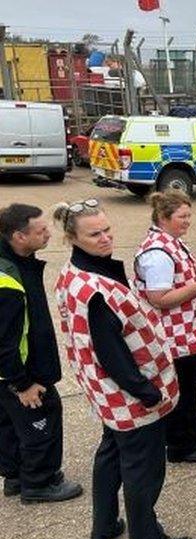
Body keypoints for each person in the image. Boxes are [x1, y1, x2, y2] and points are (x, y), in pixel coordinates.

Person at [52, 199, 193, 539]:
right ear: (72, 238)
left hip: (105, 395)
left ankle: (104, 527)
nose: (105, 238)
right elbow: (111, 353)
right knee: (143, 473)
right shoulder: (96, 291)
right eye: (94, 234)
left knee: (110, 455)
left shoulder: (75, 273)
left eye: (107, 230)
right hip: (130, 395)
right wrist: (147, 392)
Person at [0, 204, 83, 504]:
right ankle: (39, 483)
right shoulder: (8, 282)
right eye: (41, 230)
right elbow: (4, 344)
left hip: (9, 374)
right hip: (20, 372)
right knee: (41, 418)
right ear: (19, 237)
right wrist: (22, 383)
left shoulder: (13, 261)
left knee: (9, 424)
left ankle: (15, 476)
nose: (49, 233)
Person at [133, 190, 196, 465]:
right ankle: (180, 445)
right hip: (173, 336)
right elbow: (158, 298)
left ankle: (194, 431)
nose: (188, 221)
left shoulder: (171, 243)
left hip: (187, 332)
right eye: (182, 216)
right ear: (163, 217)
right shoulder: (158, 253)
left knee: (191, 388)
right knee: (180, 391)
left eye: (189, 215)